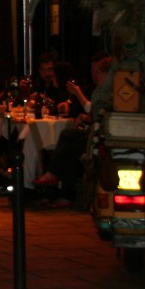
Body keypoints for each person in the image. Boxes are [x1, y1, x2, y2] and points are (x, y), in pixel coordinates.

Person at [34, 53, 113, 207]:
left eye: (97, 72)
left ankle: (57, 182)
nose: (94, 75)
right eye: (93, 71)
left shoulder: (108, 90)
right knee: (67, 137)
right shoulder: (99, 89)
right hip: (96, 131)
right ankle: (57, 183)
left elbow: (95, 110)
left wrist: (78, 95)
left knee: (69, 144)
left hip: (104, 137)